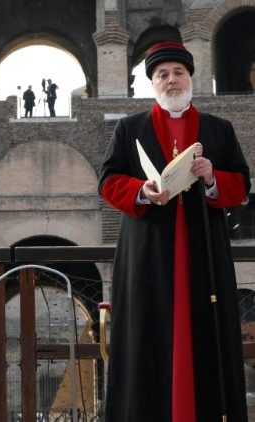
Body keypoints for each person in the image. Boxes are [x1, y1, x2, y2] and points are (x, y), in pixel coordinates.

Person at [99, 41, 249, 421]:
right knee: (149, 341)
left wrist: (213, 178)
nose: (171, 80)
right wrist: (141, 191)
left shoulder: (219, 129)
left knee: (204, 339)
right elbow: (108, 181)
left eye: (178, 73)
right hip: (149, 255)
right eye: (162, 75)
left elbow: (241, 186)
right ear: (153, 83)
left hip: (205, 256)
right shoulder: (129, 128)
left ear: (190, 77)